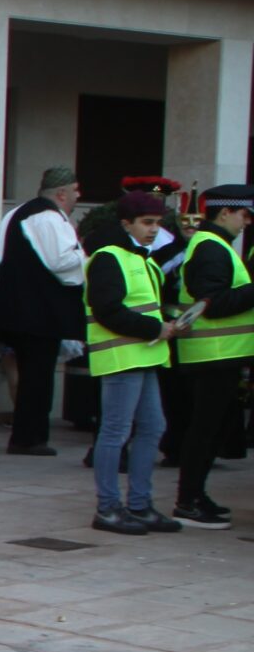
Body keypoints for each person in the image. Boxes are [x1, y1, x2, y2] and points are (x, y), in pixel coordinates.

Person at [83, 192, 186, 536]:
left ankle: (139, 505)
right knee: (116, 432)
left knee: (152, 428)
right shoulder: (109, 257)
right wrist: (157, 328)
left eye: (157, 223)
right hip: (122, 355)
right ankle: (109, 507)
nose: (154, 230)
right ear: (126, 223)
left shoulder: (141, 258)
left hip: (144, 354)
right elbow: (108, 310)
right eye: (147, 223)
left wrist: (170, 320)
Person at [166, 184, 252, 528]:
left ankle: (196, 496)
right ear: (225, 212)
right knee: (203, 430)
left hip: (222, 355)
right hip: (212, 355)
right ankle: (188, 501)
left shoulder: (216, 246)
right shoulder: (211, 248)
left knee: (213, 429)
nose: (247, 222)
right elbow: (211, 304)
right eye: (245, 215)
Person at [0, 166, 84, 457]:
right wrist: (85, 255)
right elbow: (62, 262)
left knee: (31, 375)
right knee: (37, 377)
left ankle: (27, 435)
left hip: (21, 310)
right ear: (62, 193)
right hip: (38, 314)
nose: (80, 195)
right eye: (77, 189)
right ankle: (29, 439)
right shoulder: (47, 217)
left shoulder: (19, 213)